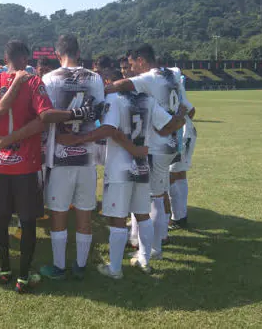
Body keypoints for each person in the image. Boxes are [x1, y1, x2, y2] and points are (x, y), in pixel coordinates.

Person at [0, 40, 99, 293]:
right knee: (27, 223)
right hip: (28, 164)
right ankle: (23, 275)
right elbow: (45, 117)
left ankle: (4, 270)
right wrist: (77, 113)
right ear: (25, 57)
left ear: (5, 57)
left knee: (1, 221)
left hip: (1, 166)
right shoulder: (34, 82)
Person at [55, 89, 185, 276]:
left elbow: (109, 129)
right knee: (142, 214)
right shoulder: (149, 98)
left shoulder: (114, 99)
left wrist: (77, 139)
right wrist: (179, 114)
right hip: (142, 164)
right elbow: (169, 125)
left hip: (119, 168)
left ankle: (115, 269)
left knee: (117, 218)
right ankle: (144, 260)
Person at [106, 43, 191, 266]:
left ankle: (153, 248)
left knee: (151, 198)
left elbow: (123, 84)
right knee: (159, 195)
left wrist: (99, 89)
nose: (132, 68)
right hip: (173, 143)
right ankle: (153, 241)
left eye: (133, 63)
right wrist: (180, 117)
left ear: (142, 60)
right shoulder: (172, 74)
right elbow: (189, 109)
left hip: (156, 144)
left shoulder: (149, 78)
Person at [39, 34, 106, 280]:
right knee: (84, 213)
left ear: (58, 55)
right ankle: (80, 265)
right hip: (87, 157)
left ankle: (59, 267)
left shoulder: (49, 79)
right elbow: (100, 115)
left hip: (59, 157)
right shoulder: (96, 79)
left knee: (58, 213)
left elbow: (43, 117)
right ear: (79, 52)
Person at [169, 74, 197, 230]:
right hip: (182, 134)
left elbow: (191, 110)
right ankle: (179, 215)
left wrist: (182, 121)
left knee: (173, 174)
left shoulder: (177, 91)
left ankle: (177, 216)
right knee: (178, 174)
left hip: (182, 135)